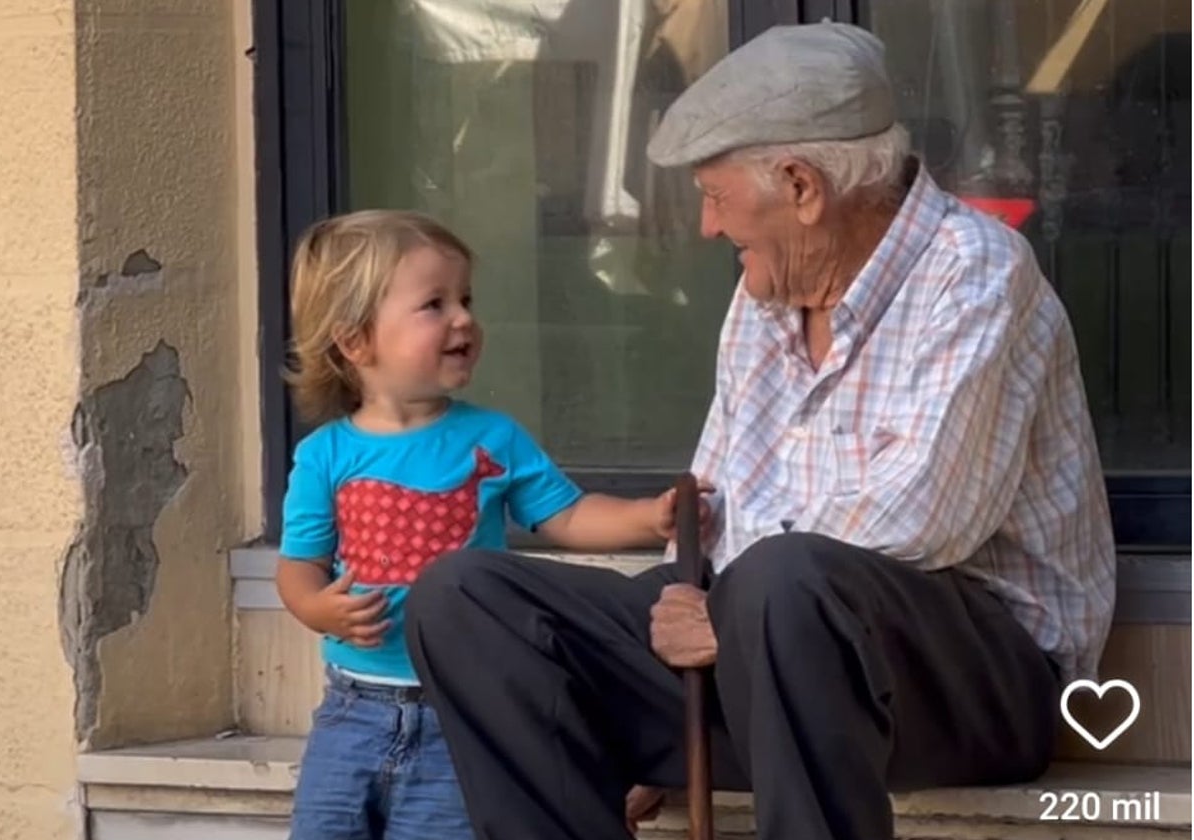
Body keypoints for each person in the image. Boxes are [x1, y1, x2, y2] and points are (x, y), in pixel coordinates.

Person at [404, 22, 1116, 840]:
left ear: (802, 186)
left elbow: (921, 517)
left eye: (716, 195)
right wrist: (678, 605)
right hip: (769, 657)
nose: (707, 226)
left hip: (977, 682)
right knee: (466, 599)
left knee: (785, 580)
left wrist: (727, 603)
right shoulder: (765, 294)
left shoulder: (975, 270)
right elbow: (720, 504)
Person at [275, 209, 708, 840]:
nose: (464, 320)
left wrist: (650, 516)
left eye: (466, 299)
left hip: (464, 716)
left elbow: (565, 515)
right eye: (434, 304)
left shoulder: (492, 437)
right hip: (352, 714)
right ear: (355, 341)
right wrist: (317, 608)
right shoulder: (326, 456)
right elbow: (297, 564)